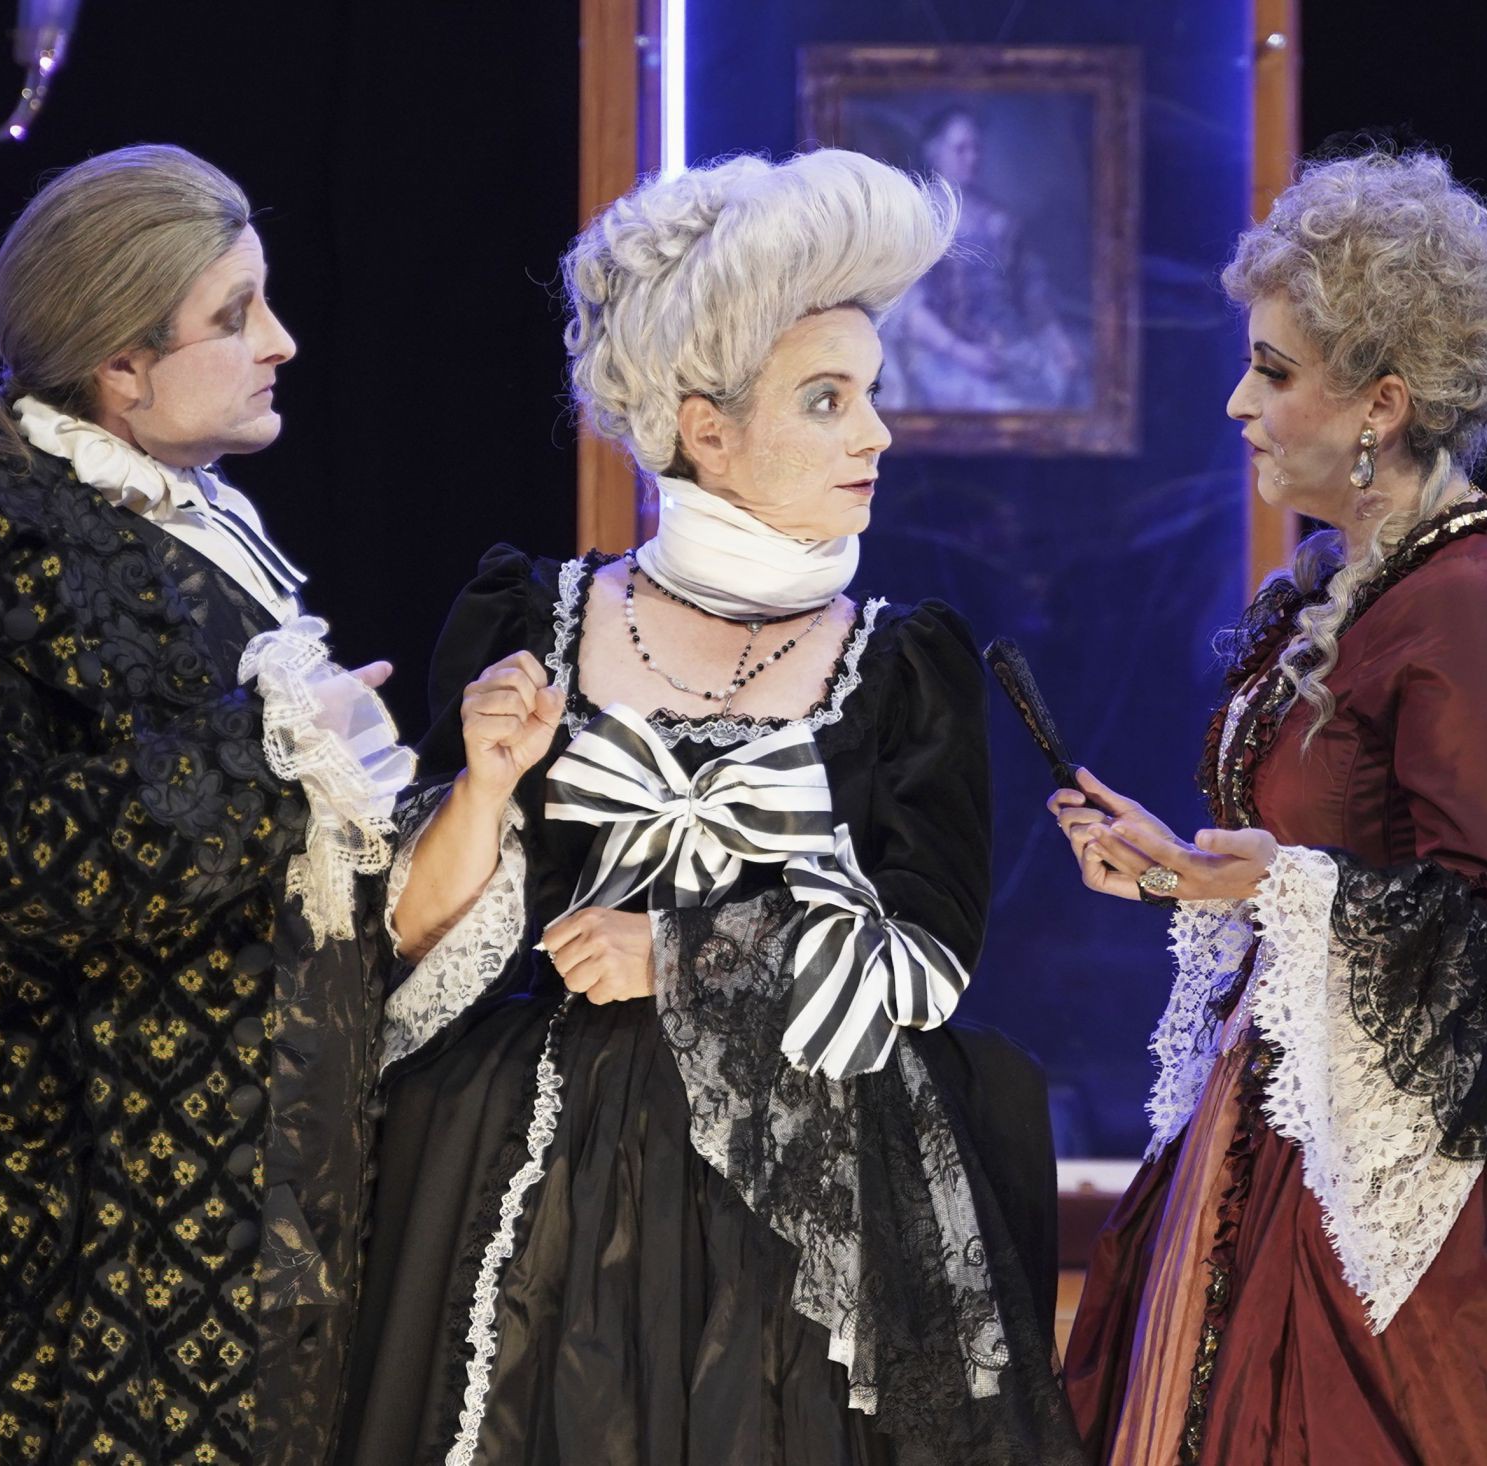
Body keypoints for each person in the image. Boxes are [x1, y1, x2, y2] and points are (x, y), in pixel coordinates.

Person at [339, 149, 1078, 1465]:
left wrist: (680, 955)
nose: (876, 433)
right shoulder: (534, 620)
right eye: (827, 399)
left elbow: (925, 961)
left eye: (873, 395)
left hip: (813, 1181)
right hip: (548, 1169)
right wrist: (489, 782)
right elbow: (410, 947)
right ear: (707, 428)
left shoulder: (904, 664)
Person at [1052, 150, 1487, 1463]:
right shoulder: (1354, 586)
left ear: (1381, 403)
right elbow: (1325, 856)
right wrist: (1183, 870)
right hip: (1286, 1104)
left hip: (1426, 1153)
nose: (1238, 402)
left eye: (1273, 371)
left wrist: (1272, 881)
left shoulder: (1469, 604)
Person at [0, 144, 412, 1465]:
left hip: (183, 1220)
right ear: (121, 363)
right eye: (234, 314)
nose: (280, 342)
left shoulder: (183, 519)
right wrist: (270, 752)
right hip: (5, 1257)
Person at [880, 106, 1082, 413]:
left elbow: (1033, 295)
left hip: (1006, 347)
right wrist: (963, 353)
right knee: (1000, 407)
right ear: (934, 152)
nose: (972, 158)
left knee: (1064, 390)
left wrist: (1059, 344)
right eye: (961, 149)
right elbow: (909, 311)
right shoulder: (917, 219)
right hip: (941, 353)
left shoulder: (1000, 221)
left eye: (976, 148)